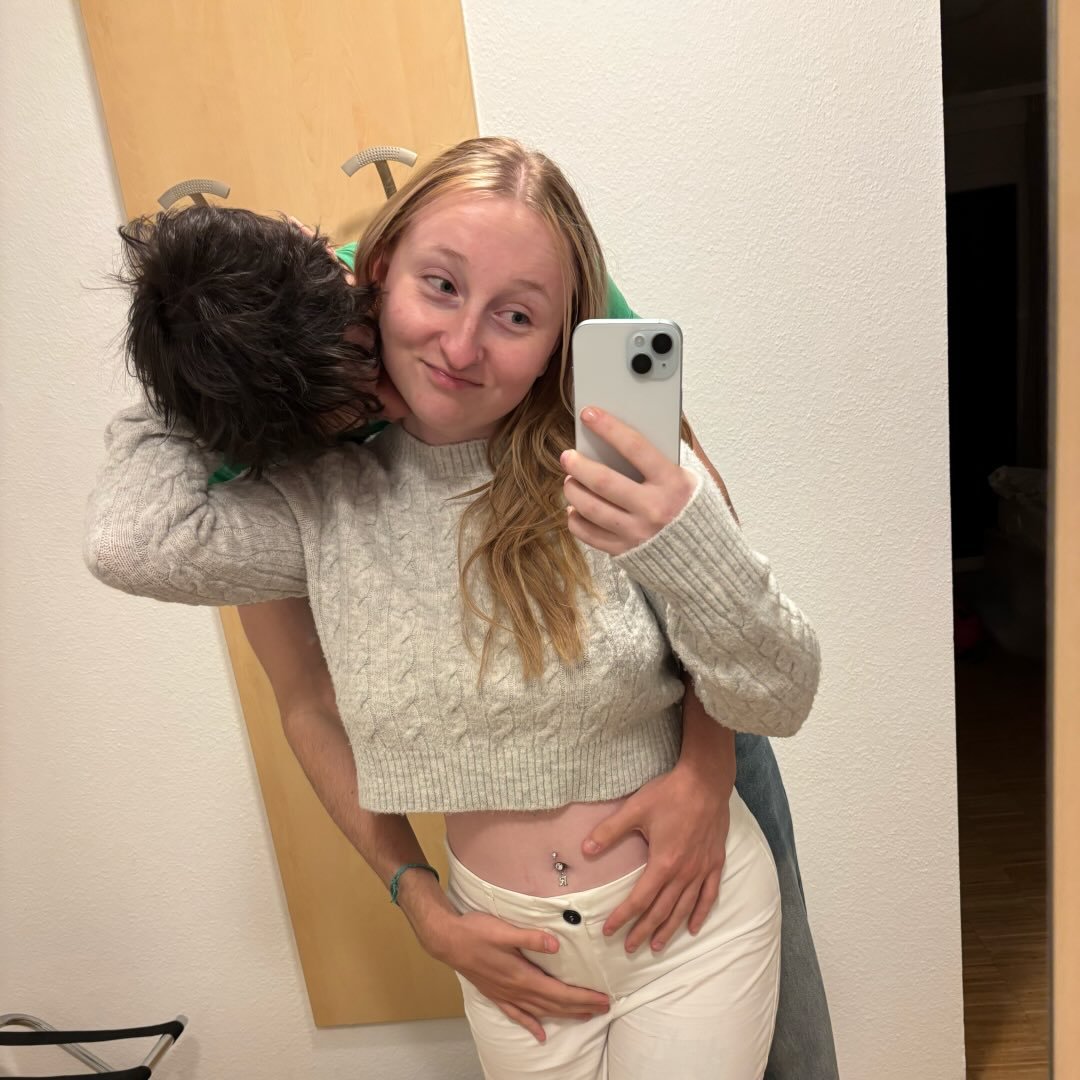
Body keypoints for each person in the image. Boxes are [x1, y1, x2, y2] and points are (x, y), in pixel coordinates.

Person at [88, 137, 832, 1078]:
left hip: (691, 919)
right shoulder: (318, 505)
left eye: (517, 314)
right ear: (376, 279)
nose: (461, 346)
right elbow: (131, 541)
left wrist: (686, 559)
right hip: (510, 953)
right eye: (438, 287)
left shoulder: (607, 463)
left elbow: (777, 688)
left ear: (560, 335)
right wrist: (191, 354)